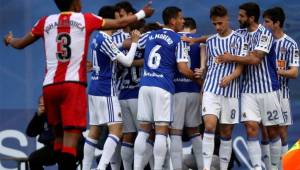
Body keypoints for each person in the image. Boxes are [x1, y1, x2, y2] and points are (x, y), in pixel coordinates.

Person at [3, 0, 153, 169]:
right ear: (74, 3)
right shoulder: (85, 19)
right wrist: (143, 13)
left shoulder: (44, 22)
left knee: (58, 140)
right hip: (73, 85)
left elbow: (21, 43)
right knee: (71, 140)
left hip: (50, 86)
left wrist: (10, 40)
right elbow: (121, 22)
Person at [216, 2, 284, 169]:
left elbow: (255, 59)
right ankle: (256, 167)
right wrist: (193, 39)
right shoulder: (240, 34)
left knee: (273, 131)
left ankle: (274, 167)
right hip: (247, 91)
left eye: (241, 16)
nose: (238, 18)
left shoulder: (265, 34)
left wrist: (231, 57)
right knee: (251, 127)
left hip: (268, 88)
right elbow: (216, 37)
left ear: (251, 18)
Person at [133, 6, 201, 170]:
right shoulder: (179, 40)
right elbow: (183, 69)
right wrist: (198, 79)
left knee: (143, 130)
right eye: (180, 18)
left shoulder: (149, 34)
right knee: (162, 132)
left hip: (145, 85)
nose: (183, 21)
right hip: (163, 87)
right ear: (172, 20)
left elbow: (131, 43)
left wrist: (134, 38)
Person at [81, 5, 141, 170]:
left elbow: (108, 53)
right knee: (117, 130)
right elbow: (128, 62)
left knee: (94, 130)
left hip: (94, 87)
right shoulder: (105, 39)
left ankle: (86, 167)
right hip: (106, 89)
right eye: (116, 19)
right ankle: (101, 167)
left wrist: (124, 44)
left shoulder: (96, 37)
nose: (119, 23)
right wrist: (135, 42)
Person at [199, 5, 247, 170]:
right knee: (210, 126)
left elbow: (241, 66)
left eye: (220, 23)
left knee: (226, 133)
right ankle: (206, 167)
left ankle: (224, 167)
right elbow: (208, 66)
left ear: (227, 18)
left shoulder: (240, 39)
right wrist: (202, 73)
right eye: (214, 24)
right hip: (211, 89)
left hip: (231, 92)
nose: (217, 27)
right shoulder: (210, 41)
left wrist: (230, 77)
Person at [263, 6, 299, 168]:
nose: (264, 25)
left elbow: (294, 73)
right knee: (266, 133)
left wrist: (278, 71)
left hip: (281, 94)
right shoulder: (263, 43)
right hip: (264, 93)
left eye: (267, 21)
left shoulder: (290, 44)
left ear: (277, 23)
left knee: (282, 134)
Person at [170, 17, 204, 170]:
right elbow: (205, 68)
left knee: (175, 132)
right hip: (195, 91)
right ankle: (204, 167)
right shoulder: (200, 43)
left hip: (177, 90)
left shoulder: (174, 40)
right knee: (195, 132)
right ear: (194, 29)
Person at [26, 96, 84, 170]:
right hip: (53, 148)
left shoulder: (61, 111)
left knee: (64, 159)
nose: (42, 106)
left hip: (72, 146)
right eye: (40, 104)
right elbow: (30, 133)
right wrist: (37, 116)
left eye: (45, 104)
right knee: (33, 159)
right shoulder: (42, 117)